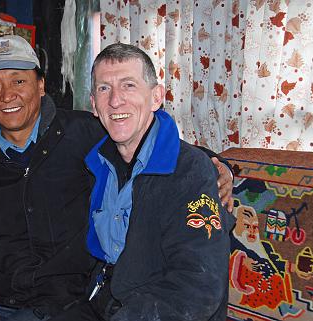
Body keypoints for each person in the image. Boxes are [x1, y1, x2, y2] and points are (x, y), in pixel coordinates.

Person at [0, 35, 233, 321]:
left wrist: (217, 165)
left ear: (41, 85)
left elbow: (154, 143)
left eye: (19, 81)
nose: (8, 95)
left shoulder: (85, 136)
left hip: (64, 301)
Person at [50, 43, 236, 321]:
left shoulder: (191, 172)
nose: (115, 100)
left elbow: (197, 286)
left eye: (128, 85)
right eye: (104, 88)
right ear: (93, 105)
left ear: (156, 97)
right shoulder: (95, 158)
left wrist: (222, 170)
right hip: (102, 300)